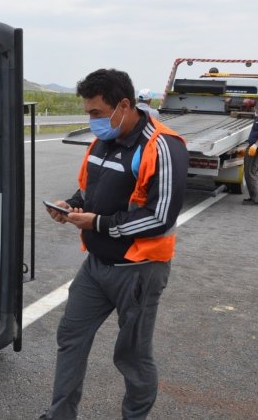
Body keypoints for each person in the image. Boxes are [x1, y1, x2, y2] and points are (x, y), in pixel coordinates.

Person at [39, 68, 188, 420]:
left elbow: (160, 217)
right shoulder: (101, 142)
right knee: (71, 338)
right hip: (96, 267)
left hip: (138, 271)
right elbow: (89, 193)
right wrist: (71, 206)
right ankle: (60, 415)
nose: (91, 121)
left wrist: (99, 223)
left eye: (96, 113)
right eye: (88, 113)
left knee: (132, 356)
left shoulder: (163, 146)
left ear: (124, 105)